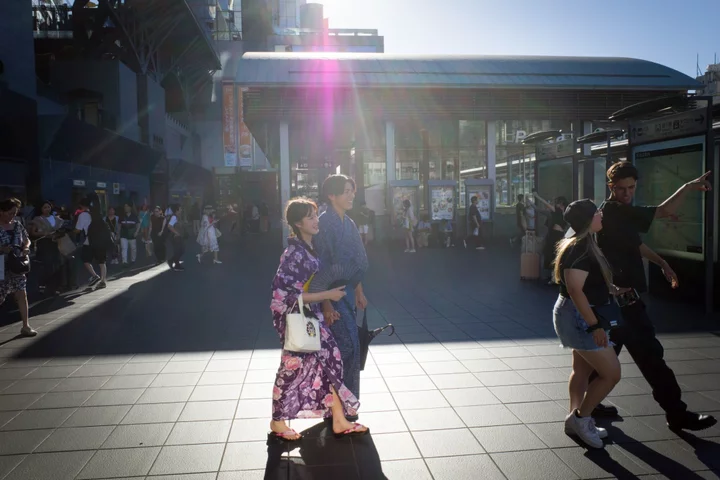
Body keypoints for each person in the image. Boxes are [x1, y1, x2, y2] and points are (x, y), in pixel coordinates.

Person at [592, 161, 716, 431]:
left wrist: (662, 262)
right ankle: (677, 413)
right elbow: (666, 210)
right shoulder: (614, 211)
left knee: (601, 360)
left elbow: (635, 244)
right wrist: (687, 187)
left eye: (631, 188)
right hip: (623, 305)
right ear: (611, 187)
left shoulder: (616, 212)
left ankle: (586, 407)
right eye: (622, 188)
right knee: (651, 358)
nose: (627, 193)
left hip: (617, 304)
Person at [269, 198, 367, 441]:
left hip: (312, 317)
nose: (316, 220)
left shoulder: (309, 248)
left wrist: (325, 304)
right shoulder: (293, 253)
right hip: (297, 320)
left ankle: (339, 420)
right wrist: (328, 295)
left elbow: (314, 282)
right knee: (290, 370)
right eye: (310, 216)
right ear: (297, 223)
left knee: (330, 363)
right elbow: (283, 295)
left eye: (316, 214)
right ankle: (277, 421)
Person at [552, 199, 621, 449]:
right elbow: (574, 289)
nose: (601, 214)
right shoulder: (580, 247)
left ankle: (574, 419)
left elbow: (584, 284)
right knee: (612, 374)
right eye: (596, 212)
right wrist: (595, 326)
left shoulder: (585, 243)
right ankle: (582, 418)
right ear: (586, 220)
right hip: (581, 317)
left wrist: (611, 289)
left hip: (577, 314)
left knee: (581, 370)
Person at [314, 174, 369, 408]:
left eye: (352, 190)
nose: (351, 195)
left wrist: (358, 290)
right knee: (346, 347)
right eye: (346, 191)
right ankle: (340, 404)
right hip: (328, 295)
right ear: (331, 195)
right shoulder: (325, 222)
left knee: (350, 347)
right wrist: (325, 303)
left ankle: (345, 404)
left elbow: (355, 260)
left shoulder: (349, 222)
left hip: (345, 293)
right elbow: (320, 264)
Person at [0, 198, 37, 337]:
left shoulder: (17, 225)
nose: (12, 216)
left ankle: (26, 326)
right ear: (1, 211)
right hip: (1, 264)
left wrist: (26, 248)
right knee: (1, 295)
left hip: (17, 263)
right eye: (10, 213)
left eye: (14, 213)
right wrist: (2, 249)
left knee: (21, 293)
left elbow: (26, 239)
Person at [74, 198, 109, 289]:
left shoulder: (83, 215)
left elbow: (78, 230)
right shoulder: (97, 214)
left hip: (90, 240)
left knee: (85, 258)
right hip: (101, 240)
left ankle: (94, 275)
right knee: (102, 261)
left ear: (82, 206)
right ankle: (103, 281)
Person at [29, 200, 63, 295]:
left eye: (48, 207)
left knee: (56, 264)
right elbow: (33, 232)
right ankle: (44, 286)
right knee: (47, 266)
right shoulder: (38, 219)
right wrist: (44, 233)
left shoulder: (56, 218)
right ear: (40, 209)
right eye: (44, 207)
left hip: (56, 243)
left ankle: (55, 286)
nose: (47, 209)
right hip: (44, 244)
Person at [535, 193, 568, 284]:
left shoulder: (559, 211)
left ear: (561, 203)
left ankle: (555, 277)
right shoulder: (564, 212)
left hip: (556, 235)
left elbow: (546, 204)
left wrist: (537, 196)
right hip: (557, 234)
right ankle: (554, 276)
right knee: (554, 254)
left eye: (556, 202)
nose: (554, 204)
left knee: (553, 254)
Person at [166, 204, 186, 271]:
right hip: (175, 237)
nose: (181, 209)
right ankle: (175, 264)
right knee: (178, 251)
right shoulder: (174, 217)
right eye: (180, 208)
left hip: (179, 236)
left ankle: (173, 262)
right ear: (177, 209)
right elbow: (169, 226)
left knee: (181, 250)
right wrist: (176, 232)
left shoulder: (178, 216)